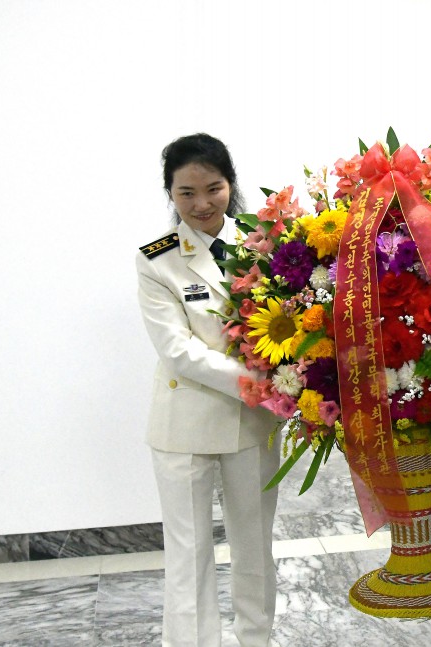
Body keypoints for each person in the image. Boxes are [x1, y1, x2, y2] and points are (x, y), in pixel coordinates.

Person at [136, 133, 280, 647]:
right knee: (189, 552)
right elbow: (178, 351)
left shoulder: (263, 244)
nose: (202, 204)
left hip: (255, 423)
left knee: (254, 547)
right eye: (186, 193)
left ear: (230, 184)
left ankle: (256, 639)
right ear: (170, 194)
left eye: (213, 188)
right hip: (186, 424)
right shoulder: (157, 260)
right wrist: (261, 384)